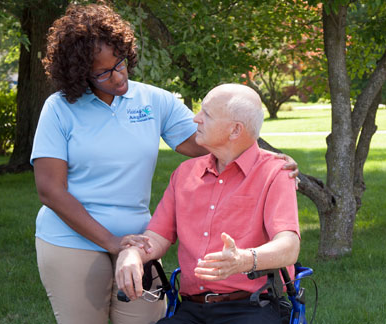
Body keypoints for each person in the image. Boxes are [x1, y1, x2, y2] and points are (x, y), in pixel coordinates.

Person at [31, 4, 297, 324]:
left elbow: (218, 138)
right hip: (73, 242)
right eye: (104, 72)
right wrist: (113, 243)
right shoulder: (59, 108)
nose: (119, 76)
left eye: (121, 63)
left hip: (140, 240)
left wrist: (272, 159)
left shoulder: (154, 101)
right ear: (79, 73)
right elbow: (49, 190)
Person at [115, 83, 300, 324]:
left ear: (235, 130)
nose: (196, 119)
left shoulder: (275, 173)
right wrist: (132, 253)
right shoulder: (184, 173)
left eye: (207, 114)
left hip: (252, 306)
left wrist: (244, 260)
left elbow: (289, 245)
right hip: (191, 309)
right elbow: (157, 236)